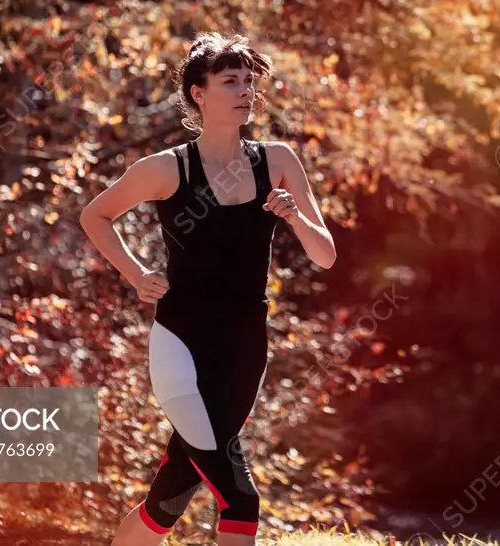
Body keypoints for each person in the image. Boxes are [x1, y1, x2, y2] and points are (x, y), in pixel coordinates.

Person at [80, 32, 337, 546]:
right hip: (181, 345)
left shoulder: (278, 161)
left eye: (250, 82)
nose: (246, 92)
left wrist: (294, 218)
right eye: (230, 82)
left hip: (245, 347)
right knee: (239, 497)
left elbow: (325, 254)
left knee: (171, 495)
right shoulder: (166, 168)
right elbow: (96, 215)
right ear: (199, 93)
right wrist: (136, 275)